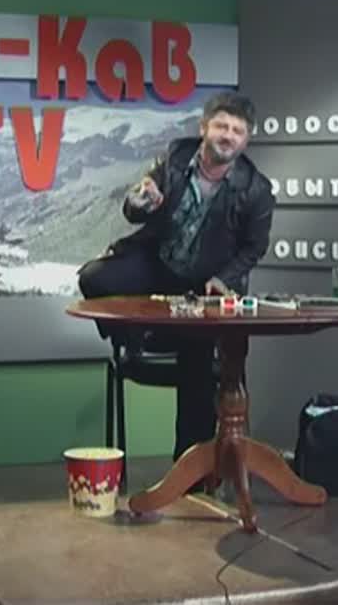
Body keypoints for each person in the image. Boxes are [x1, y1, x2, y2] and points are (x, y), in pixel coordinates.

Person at [77, 91, 275, 462]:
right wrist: (141, 201)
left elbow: (254, 249)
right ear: (204, 128)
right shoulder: (175, 157)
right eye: (221, 126)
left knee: (196, 372)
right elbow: (135, 209)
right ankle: (142, 335)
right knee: (94, 279)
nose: (228, 136)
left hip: (202, 285)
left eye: (237, 131)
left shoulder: (256, 190)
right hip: (157, 264)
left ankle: (189, 472)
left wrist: (224, 278)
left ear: (246, 139)